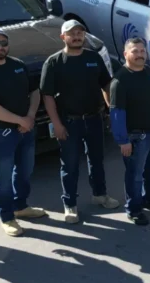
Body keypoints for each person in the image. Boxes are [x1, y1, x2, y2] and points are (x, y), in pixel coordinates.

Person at [40, 19, 119, 224]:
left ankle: (100, 195)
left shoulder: (93, 57)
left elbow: (106, 85)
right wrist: (57, 124)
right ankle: (70, 204)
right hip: (69, 122)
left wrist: (111, 112)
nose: (76, 37)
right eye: (72, 33)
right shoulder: (54, 62)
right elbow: (47, 96)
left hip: (94, 118)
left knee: (97, 160)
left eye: (80, 33)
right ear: (63, 37)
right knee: (70, 164)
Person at [0, 28, 47, 237]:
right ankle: (6, 217)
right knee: (2, 177)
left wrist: (29, 116)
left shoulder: (18, 65)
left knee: (25, 170)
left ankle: (20, 206)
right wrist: (21, 120)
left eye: (3, 43)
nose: (0, 47)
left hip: (25, 129)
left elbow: (34, 91)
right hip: (0, 133)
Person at [109, 38, 150, 225]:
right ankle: (134, 209)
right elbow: (116, 113)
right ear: (125, 54)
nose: (140, 55)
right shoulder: (120, 81)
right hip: (135, 137)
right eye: (135, 51)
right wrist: (123, 140)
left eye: (143, 51)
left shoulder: (149, 72)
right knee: (134, 175)